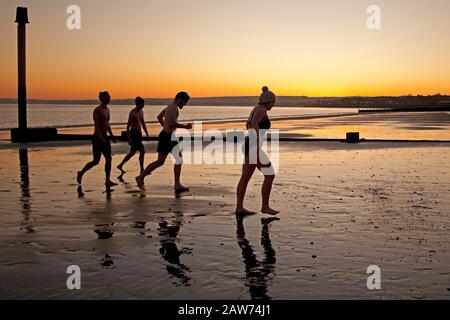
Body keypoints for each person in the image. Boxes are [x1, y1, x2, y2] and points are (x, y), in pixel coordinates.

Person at [235, 86, 279, 215]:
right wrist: (258, 139)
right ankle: (264, 207)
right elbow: (253, 125)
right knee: (269, 175)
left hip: (251, 145)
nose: (273, 106)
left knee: (246, 177)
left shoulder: (256, 108)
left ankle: (240, 207)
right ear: (269, 102)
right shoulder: (261, 110)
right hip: (253, 146)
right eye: (273, 103)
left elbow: (247, 124)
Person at [135, 92, 192, 191]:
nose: (185, 104)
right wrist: (185, 126)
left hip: (166, 135)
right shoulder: (173, 107)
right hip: (167, 137)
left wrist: (165, 128)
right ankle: (176, 184)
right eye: (185, 101)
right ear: (180, 99)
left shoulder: (170, 106)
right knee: (177, 159)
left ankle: (141, 177)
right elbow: (171, 123)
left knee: (160, 161)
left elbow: (159, 117)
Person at [77, 91, 118, 187]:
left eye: (109, 96)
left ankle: (107, 180)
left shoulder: (107, 110)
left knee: (109, 159)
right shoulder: (97, 110)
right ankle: (81, 172)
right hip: (97, 138)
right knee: (96, 161)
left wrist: (111, 135)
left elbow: (107, 124)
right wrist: (100, 137)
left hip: (105, 137)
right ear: (103, 98)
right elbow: (96, 125)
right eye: (108, 97)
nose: (110, 98)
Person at [117, 97, 149, 174]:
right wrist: (129, 138)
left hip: (138, 133)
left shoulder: (141, 112)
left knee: (132, 152)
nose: (143, 105)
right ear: (138, 104)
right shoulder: (132, 112)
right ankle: (142, 169)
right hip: (134, 133)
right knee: (142, 151)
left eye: (143, 103)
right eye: (142, 104)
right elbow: (128, 127)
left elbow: (143, 123)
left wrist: (147, 133)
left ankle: (120, 165)